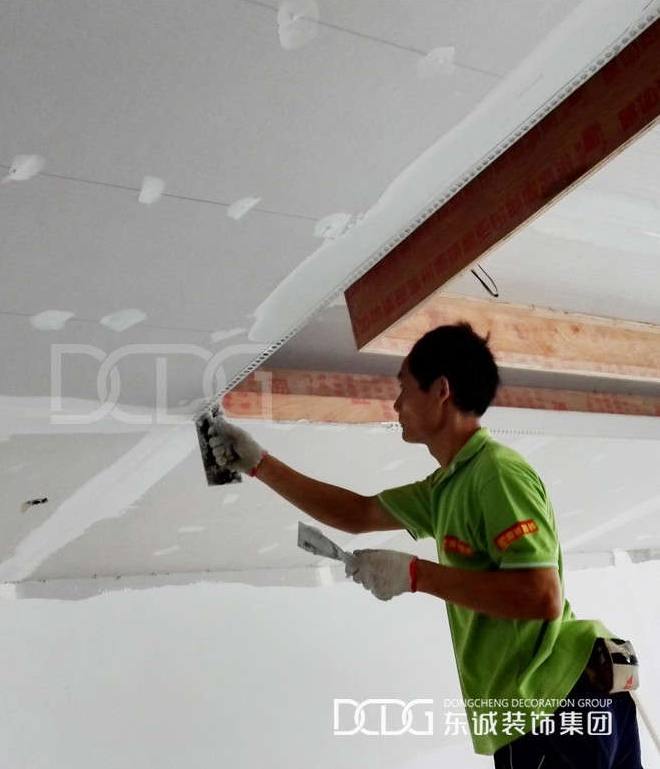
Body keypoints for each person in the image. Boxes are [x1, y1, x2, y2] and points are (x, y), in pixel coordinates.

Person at [208, 322, 642, 767]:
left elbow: (542, 597)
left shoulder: (497, 475)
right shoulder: (447, 488)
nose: (396, 404)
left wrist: (417, 576)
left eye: (404, 388)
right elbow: (357, 513)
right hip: (557, 703)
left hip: (551, 702)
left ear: (441, 390)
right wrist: (258, 463)